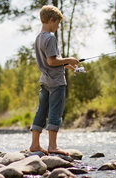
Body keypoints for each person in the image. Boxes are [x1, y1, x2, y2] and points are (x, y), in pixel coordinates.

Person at [29, 5, 79, 156]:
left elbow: (48, 62)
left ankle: (35, 144)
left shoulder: (39, 37)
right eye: (57, 23)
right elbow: (52, 61)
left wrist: (65, 64)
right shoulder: (50, 37)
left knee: (41, 111)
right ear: (51, 20)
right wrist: (69, 58)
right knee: (55, 112)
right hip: (56, 82)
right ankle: (52, 146)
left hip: (44, 80)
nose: (57, 26)